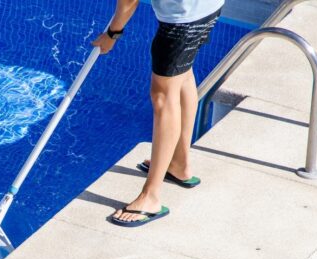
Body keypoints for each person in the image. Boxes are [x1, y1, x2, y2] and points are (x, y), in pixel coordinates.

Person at [92, 0, 223, 227]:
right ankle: (179, 164)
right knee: (182, 75)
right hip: (206, 8)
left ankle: (150, 197)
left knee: (162, 97)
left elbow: (129, 1)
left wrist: (113, 33)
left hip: (181, 21)